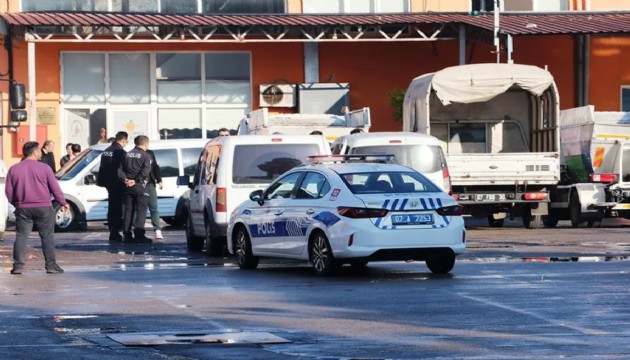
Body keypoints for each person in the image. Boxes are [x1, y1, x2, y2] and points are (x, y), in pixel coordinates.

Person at [6, 141, 69, 274]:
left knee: (22, 236)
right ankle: (51, 266)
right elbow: (55, 188)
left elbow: (9, 191)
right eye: (39, 150)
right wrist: (63, 202)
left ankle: (18, 266)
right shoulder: (45, 168)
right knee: (47, 236)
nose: (40, 153)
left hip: (23, 208)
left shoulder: (14, 169)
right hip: (43, 207)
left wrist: (17, 203)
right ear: (34, 152)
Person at [97, 131, 129, 243]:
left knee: (112, 207)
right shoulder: (120, 152)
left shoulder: (106, 151)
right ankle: (116, 232)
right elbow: (122, 169)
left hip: (108, 183)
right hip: (118, 184)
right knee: (118, 209)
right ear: (124, 140)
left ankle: (113, 231)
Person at [121, 135, 153, 243]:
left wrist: (125, 179)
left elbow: (120, 170)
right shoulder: (146, 156)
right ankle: (139, 235)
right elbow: (145, 171)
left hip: (127, 187)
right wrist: (135, 180)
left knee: (128, 211)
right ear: (145, 144)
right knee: (141, 211)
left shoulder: (126, 154)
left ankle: (127, 234)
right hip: (140, 187)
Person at [146, 148, 163, 241]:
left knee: (153, 207)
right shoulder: (133, 153)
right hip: (139, 184)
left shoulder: (150, 153)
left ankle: (157, 230)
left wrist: (159, 179)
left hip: (150, 183)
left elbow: (155, 166)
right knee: (139, 209)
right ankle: (137, 231)